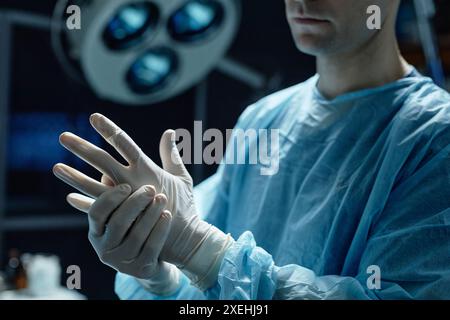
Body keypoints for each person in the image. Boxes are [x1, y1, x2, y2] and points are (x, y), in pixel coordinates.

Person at [53, 0, 450, 299]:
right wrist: (161, 274)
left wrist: (197, 249)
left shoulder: (434, 138)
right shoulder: (264, 119)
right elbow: (211, 293)